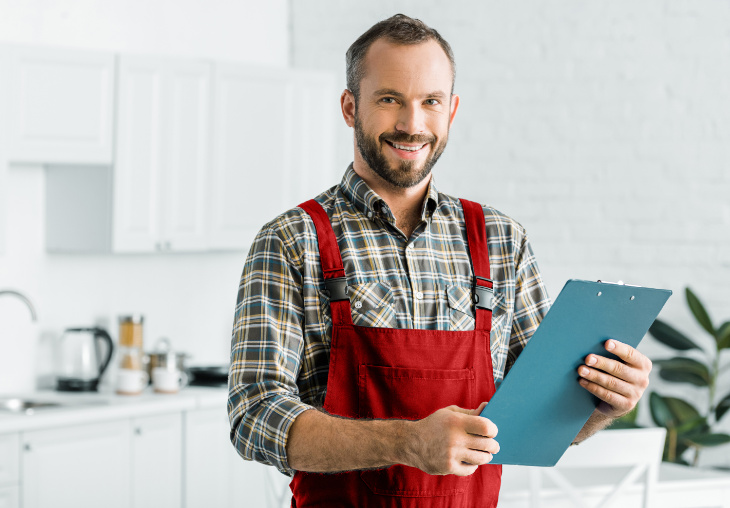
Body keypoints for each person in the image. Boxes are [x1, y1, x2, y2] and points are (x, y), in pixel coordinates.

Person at [227, 13, 653, 508]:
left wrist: (602, 405)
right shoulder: (291, 240)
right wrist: (407, 442)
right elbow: (254, 417)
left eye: (430, 102)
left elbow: (534, 419)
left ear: (451, 110)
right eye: (390, 99)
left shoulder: (500, 240)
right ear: (349, 107)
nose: (412, 124)